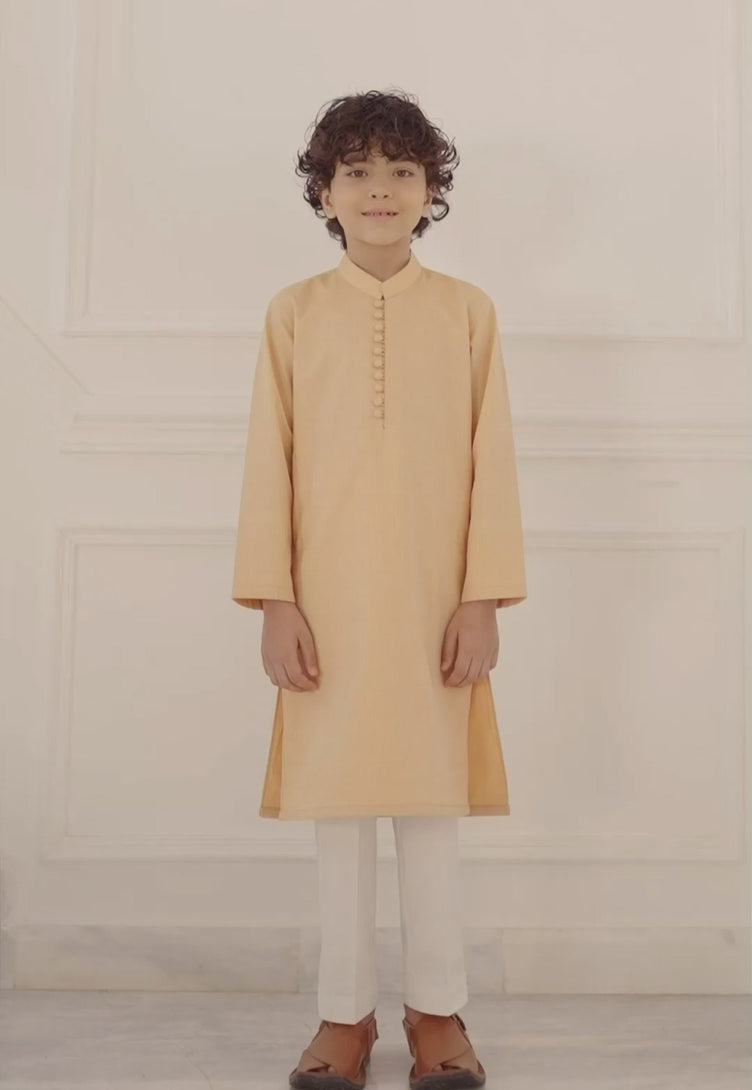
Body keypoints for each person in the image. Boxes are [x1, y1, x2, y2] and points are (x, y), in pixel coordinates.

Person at [231, 89, 527, 1090]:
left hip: (437, 607)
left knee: (431, 810)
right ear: (324, 192)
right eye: (356, 171)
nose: (380, 190)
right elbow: (267, 463)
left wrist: (482, 596)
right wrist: (273, 598)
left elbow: (492, 460)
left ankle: (437, 1010)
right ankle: (342, 1015)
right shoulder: (294, 313)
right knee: (340, 815)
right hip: (325, 609)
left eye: (402, 170)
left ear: (431, 190)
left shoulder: (468, 312)